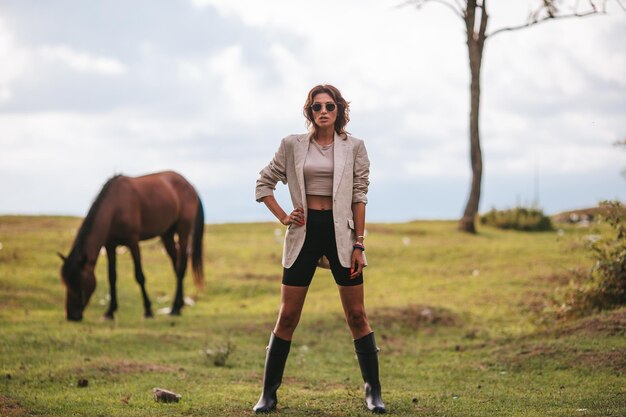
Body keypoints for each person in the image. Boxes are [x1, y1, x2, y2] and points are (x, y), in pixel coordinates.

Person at [253, 84, 385, 414]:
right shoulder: (292, 146)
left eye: (329, 106)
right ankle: (268, 395)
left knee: (357, 315)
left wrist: (359, 244)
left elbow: (359, 196)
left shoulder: (355, 146)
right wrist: (284, 215)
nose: (323, 111)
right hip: (304, 234)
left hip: (342, 236)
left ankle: (373, 392)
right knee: (287, 315)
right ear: (309, 111)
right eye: (316, 107)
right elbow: (263, 183)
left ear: (339, 111)